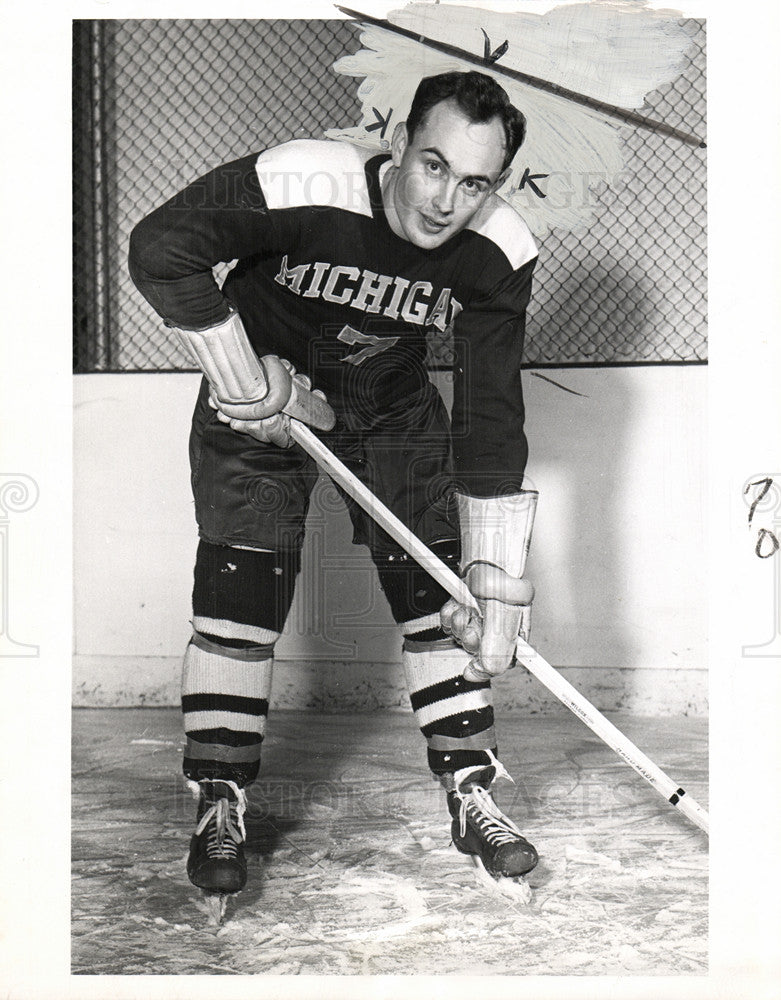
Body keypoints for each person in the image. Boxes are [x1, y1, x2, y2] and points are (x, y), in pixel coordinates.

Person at [128, 70, 540, 907]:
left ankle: (471, 790)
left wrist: (495, 582)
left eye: (474, 183)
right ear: (400, 149)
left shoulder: (500, 248)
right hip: (259, 401)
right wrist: (246, 383)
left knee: (442, 599)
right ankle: (219, 797)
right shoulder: (305, 179)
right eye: (433, 165)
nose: (444, 201)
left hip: (389, 410)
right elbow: (159, 247)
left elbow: (492, 416)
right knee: (240, 597)